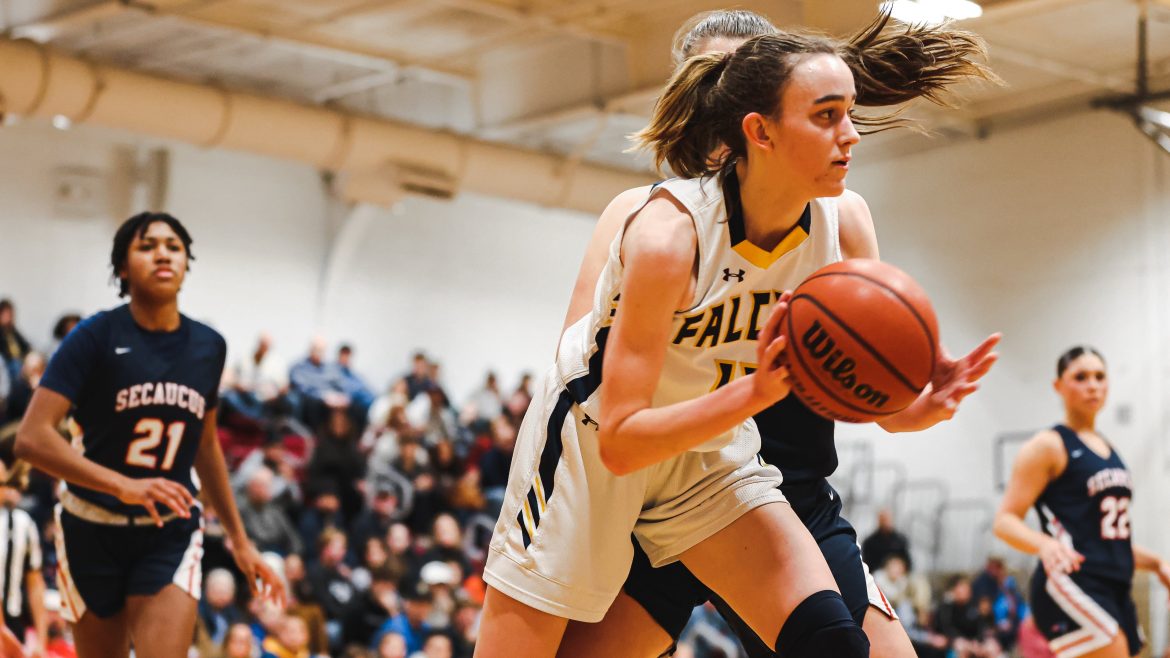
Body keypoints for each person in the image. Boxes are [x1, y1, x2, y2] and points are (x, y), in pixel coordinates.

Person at [479, 17, 952, 657]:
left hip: (725, 455)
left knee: (833, 643)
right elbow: (613, 425)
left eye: (848, 113)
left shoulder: (831, 218)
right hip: (596, 456)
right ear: (752, 122)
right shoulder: (662, 228)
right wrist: (764, 386)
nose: (851, 135)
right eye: (827, 114)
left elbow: (876, 392)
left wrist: (919, 394)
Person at [14, 211, 284, 658]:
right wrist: (124, 485)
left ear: (186, 264)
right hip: (90, 526)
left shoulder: (209, 346)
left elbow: (206, 443)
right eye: (147, 245)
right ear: (122, 267)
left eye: (174, 246)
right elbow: (32, 438)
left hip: (169, 532)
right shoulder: (93, 337)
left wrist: (240, 540)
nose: (163, 253)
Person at [994, 346, 1170, 658]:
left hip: (1114, 584)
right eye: (1081, 377)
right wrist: (1044, 545)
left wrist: (1157, 564)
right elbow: (1004, 521)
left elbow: (1107, 538)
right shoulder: (1048, 445)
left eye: (1100, 376)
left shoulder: (1109, 448)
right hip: (1071, 582)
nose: (1093, 384)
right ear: (1058, 386)